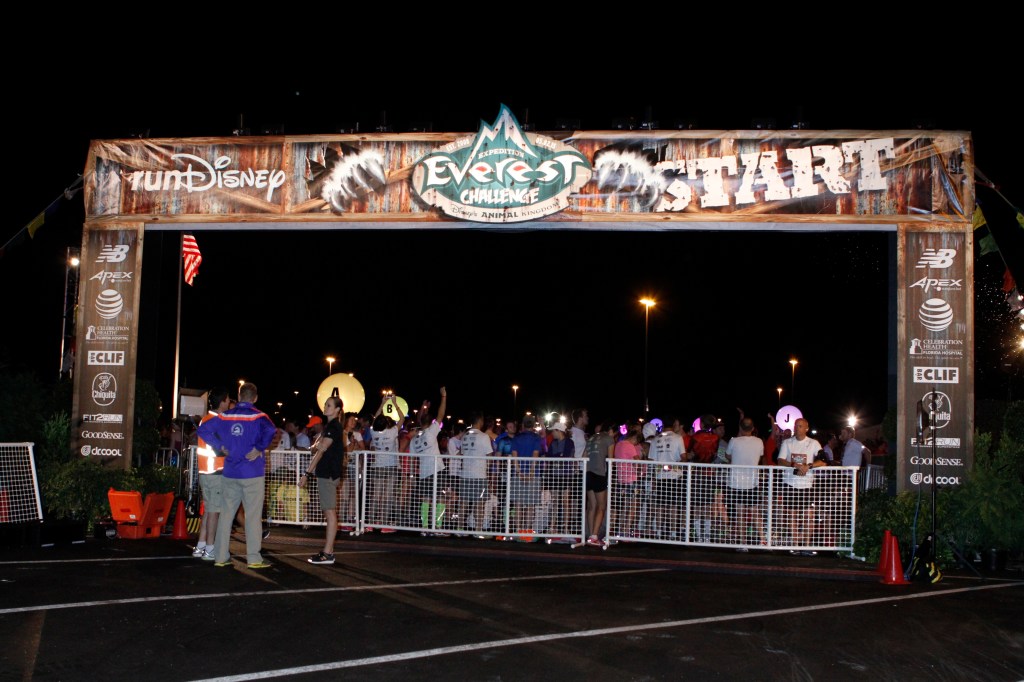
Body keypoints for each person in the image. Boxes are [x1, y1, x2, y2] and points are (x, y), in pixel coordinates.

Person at [197, 382, 277, 569]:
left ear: (239, 397)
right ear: (255, 398)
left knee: (226, 515)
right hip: (252, 473)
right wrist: (259, 448)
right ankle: (254, 558)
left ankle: (220, 556)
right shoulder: (260, 416)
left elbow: (203, 430)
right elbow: (271, 430)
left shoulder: (224, 416)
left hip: (230, 472)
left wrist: (219, 446)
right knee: (252, 516)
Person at [299, 395, 345, 565]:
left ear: (338, 410)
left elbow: (321, 450)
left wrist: (307, 473)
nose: (325, 407)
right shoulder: (330, 427)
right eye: (325, 405)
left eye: (329, 405)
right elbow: (316, 447)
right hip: (326, 474)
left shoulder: (334, 426)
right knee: (329, 511)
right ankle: (328, 551)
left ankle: (328, 553)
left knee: (330, 512)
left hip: (328, 474)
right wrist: (317, 446)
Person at [776, 417, 825, 555]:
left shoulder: (814, 443)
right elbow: (780, 460)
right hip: (790, 483)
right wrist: (794, 465)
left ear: (806, 428)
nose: (798, 428)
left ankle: (807, 546)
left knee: (809, 515)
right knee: (793, 515)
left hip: (807, 484)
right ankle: (795, 545)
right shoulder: (787, 442)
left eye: (801, 426)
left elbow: (823, 461)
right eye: (796, 426)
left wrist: (808, 466)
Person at [192, 387, 230, 560]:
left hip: (206, 470)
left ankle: (201, 546)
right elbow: (221, 449)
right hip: (215, 471)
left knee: (209, 510)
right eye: (228, 400)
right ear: (222, 402)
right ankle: (210, 549)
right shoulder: (217, 421)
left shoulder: (205, 420)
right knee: (214, 512)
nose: (229, 403)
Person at [410, 387, 448, 534]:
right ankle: (437, 527)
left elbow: (414, 460)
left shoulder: (415, 440)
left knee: (426, 499)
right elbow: (441, 415)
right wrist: (443, 397)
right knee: (440, 499)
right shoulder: (431, 431)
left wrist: (414, 476)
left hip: (424, 473)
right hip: (437, 469)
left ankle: (425, 527)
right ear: (430, 422)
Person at [725, 416, 766, 550]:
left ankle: (743, 544)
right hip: (752, 482)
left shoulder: (733, 441)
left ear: (740, 428)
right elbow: (760, 456)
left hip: (736, 482)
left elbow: (728, 456)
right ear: (753, 428)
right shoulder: (759, 441)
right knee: (755, 512)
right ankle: (763, 540)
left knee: (740, 513)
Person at [367, 395, 404, 533]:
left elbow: (375, 418)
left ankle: (370, 523)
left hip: (377, 467)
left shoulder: (374, 432)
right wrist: (394, 404)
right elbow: (402, 419)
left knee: (376, 495)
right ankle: (383, 524)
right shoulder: (392, 432)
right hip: (391, 467)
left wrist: (382, 403)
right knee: (388, 496)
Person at [648, 416, 685, 540]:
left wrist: (653, 478)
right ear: (674, 425)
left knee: (660, 505)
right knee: (673, 506)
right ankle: (673, 534)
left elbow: (651, 460)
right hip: (674, 476)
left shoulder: (655, 439)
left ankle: (659, 532)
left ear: (663, 425)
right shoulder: (678, 438)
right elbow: (683, 457)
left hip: (659, 476)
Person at [458, 411, 492, 537]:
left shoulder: (465, 436)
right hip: (479, 475)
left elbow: (461, 454)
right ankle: (478, 531)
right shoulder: (483, 437)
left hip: (465, 474)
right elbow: (489, 456)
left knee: (464, 503)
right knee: (479, 504)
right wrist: (487, 472)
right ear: (479, 421)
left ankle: (460, 529)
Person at [510, 414, 545, 539]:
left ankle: (518, 531)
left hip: (518, 474)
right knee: (530, 505)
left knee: (518, 504)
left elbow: (514, 455)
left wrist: (519, 472)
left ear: (523, 425)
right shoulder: (536, 438)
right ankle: (528, 532)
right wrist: (531, 472)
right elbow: (535, 454)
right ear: (533, 424)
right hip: (533, 475)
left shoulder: (516, 438)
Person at [583, 421, 616, 545]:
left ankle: (590, 535)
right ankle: (594, 536)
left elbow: (584, 455)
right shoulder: (609, 439)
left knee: (591, 506)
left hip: (588, 473)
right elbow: (611, 459)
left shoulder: (591, 438)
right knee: (602, 506)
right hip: (599, 474)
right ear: (610, 431)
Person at [545, 421, 577, 538]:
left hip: (566, 475)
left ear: (559, 431)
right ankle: (553, 526)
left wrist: (557, 456)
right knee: (555, 501)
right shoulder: (553, 442)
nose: (552, 433)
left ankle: (566, 528)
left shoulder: (569, 442)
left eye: (553, 431)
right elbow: (551, 456)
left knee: (565, 501)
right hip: (554, 474)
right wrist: (559, 456)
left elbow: (567, 456)